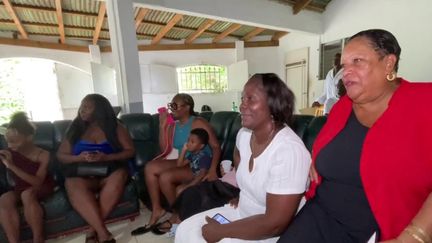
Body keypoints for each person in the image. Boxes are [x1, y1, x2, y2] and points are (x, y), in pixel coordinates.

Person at [278, 29, 432, 243]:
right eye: (344, 65)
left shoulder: (425, 102)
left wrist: (416, 235)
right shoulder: (342, 106)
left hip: (381, 231)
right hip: (320, 217)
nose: (346, 72)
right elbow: (331, 144)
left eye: (357, 61)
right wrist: (319, 157)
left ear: (388, 63)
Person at [175, 73, 311, 243]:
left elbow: (276, 224)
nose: (242, 105)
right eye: (242, 99)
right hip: (242, 212)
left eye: (250, 99)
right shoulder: (244, 135)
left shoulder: (289, 151)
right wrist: (246, 194)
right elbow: (241, 161)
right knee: (186, 230)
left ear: (273, 104)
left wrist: (221, 231)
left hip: (271, 232)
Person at [131, 93, 221, 235]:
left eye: (174, 105)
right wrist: (162, 126)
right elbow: (163, 148)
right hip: (184, 160)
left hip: (199, 163)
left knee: (165, 177)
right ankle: (157, 210)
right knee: (150, 167)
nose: (171, 108)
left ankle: (178, 214)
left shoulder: (198, 122)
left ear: (187, 107)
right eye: (170, 105)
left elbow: (216, 146)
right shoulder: (174, 126)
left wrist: (212, 170)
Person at [57, 94, 135, 243]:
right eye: (81, 106)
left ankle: (92, 230)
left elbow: (130, 151)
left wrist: (106, 157)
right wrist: (79, 158)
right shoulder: (75, 128)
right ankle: (103, 233)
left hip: (110, 170)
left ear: (99, 109)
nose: (82, 110)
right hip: (82, 173)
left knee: (119, 176)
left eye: (87, 107)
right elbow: (61, 155)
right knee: (72, 184)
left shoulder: (115, 127)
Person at [0, 112, 55, 243]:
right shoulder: (8, 153)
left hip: (41, 186)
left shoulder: (43, 154)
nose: (9, 145)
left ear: (29, 137)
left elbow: (37, 182)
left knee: (27, 194)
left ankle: (38, 239)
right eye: (7, 141)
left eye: (14, 141)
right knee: (4, 198)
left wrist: (11, 166)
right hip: (21, 188)